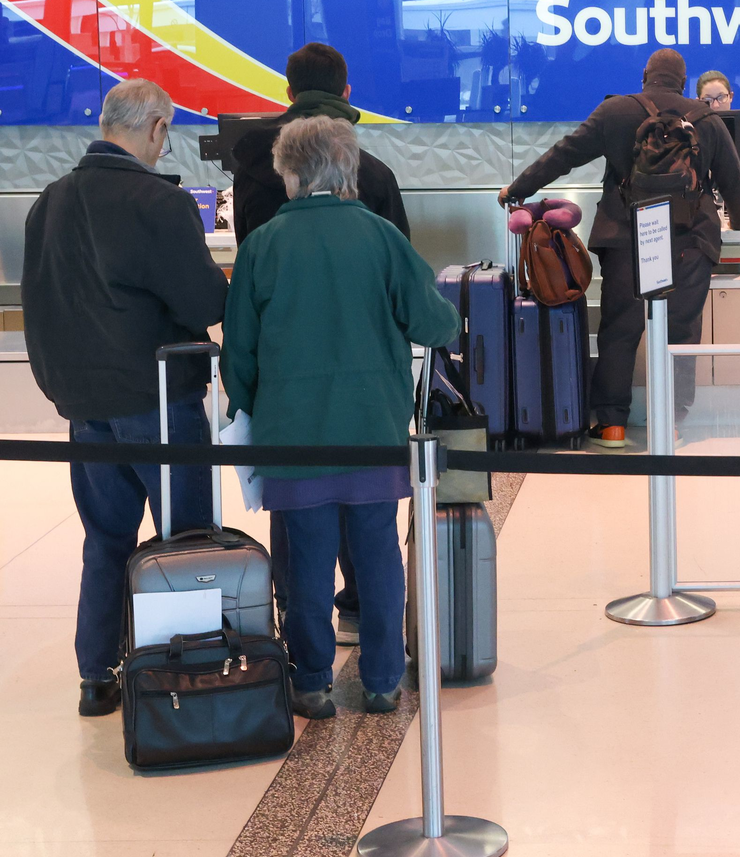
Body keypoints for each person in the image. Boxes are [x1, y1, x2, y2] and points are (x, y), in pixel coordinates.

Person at [223, 116, 461, 719]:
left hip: (292, 435)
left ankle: (311, 682)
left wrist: (256, 410)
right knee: (378, 556)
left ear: (290, 172)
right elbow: (436, 324)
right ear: (347, 167)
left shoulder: (261, 246)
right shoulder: (381, 237)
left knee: (304, 563)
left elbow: (239, 357)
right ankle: (382, 681)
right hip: (373, 430)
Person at [22, 79, 229, 717]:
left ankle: (97, 676)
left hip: (85, 405)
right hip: (157, 400)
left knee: (106, 539)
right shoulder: (157, 204)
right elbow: (203, 304)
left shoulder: (48, 202)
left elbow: (37, 303)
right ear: (157, 129)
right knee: (182, 543)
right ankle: (186, 673)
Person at [233, 43, 413, 649]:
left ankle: (304, 658)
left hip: (288, 386)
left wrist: (248, 399)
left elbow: (243, 321)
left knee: (299, 525)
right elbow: (410, 299)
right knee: (372, 528)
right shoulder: (378, 180)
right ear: (348, 92)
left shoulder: (254, 173)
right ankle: (377, 651)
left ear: (286, 91)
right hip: (366, 392)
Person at [500, 48, 740, 445]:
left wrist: (517, 190)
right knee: (681, 332)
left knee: (620, 328)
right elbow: (733, 181)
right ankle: (668, 421)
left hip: (627, 238)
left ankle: (613, 423)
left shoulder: (614, 112)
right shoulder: (705, 117)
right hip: (690, 238)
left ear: (644, 77)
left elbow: (562, 156)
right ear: (685, 82)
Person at [230, 42, 409, 243]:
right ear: (346, 93)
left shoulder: (250, 166)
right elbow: (398, 254)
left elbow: (245, 247)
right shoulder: (376, 176)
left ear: (291, 94)